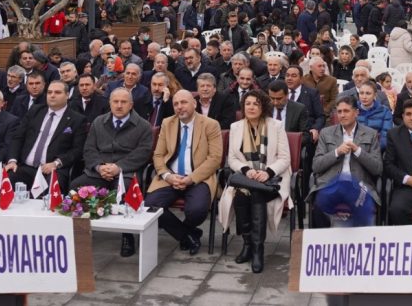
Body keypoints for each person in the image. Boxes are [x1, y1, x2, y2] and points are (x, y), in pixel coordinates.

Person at [71, 89, 154, 257]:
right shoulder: (98, 122)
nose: (119, 105)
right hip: (98, 172)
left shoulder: (144, 126)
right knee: (76, 187)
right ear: (109, 103)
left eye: (124, 102)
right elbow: (89, 149)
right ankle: (81, 233)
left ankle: (127, 235)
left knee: (126, 192)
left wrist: (119, 167)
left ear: (131, 105)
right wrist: (99, 167)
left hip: (126, 173)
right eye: (115, 102)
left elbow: (143, 153)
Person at [218, 90, 291, 274]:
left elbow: (285, 158)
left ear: (263, 106)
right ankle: (248, 244)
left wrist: (267, 172)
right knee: (243, 193)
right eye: (248, 103)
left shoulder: (276, 126)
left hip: (272, 178)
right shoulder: (236, 127)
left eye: (255, 104)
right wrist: (247, 170)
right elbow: (232, 158)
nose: (251, 107)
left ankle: (257, 249)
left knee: (257, 193)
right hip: (246, 177)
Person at [145, 90, 223, 254]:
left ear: (194, 104)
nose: (180, 107)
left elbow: (215, 159)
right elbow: (158, 155)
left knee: (197, 211)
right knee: (150, 206)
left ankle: (187, 231)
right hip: (170, 177)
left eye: (184, 102)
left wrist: (190, 179)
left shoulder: (210, 124)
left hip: (199, 178)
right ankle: (187, 235)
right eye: (176, 104)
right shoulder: (168, 123)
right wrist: (168, 175)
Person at [309, 96, 383, 228]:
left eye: (346, 111)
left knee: (361, 210)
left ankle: (357, 245)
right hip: (331, 185)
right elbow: (316, 166)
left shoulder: (370, 134)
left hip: (359, 186)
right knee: (319, 207)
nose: (342, 115)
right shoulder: (326, 133)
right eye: (339, 111)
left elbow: (377, 168)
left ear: (356, 112)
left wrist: (358, 151)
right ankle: (323, 244)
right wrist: (337, 152)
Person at [5, 80, 87, 192]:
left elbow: (77, 150)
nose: (52, 95)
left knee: (53, 189)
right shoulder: (35, 111)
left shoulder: (77, 119)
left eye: (57, 92)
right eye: (49, 92)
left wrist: (56, 163)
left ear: (67, 95)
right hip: (26, 167)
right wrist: (12, 160)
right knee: (7, 180)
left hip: (53, 169)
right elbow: (18, 137)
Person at [355, 82, 393, 149]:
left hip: (377, 151)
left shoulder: (384, 111)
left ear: (375, 95)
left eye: (368, 93)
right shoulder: (353, 109)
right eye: (361, 93)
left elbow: (385, 136)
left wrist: (374, 149)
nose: (364, 97)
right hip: (355, 149)